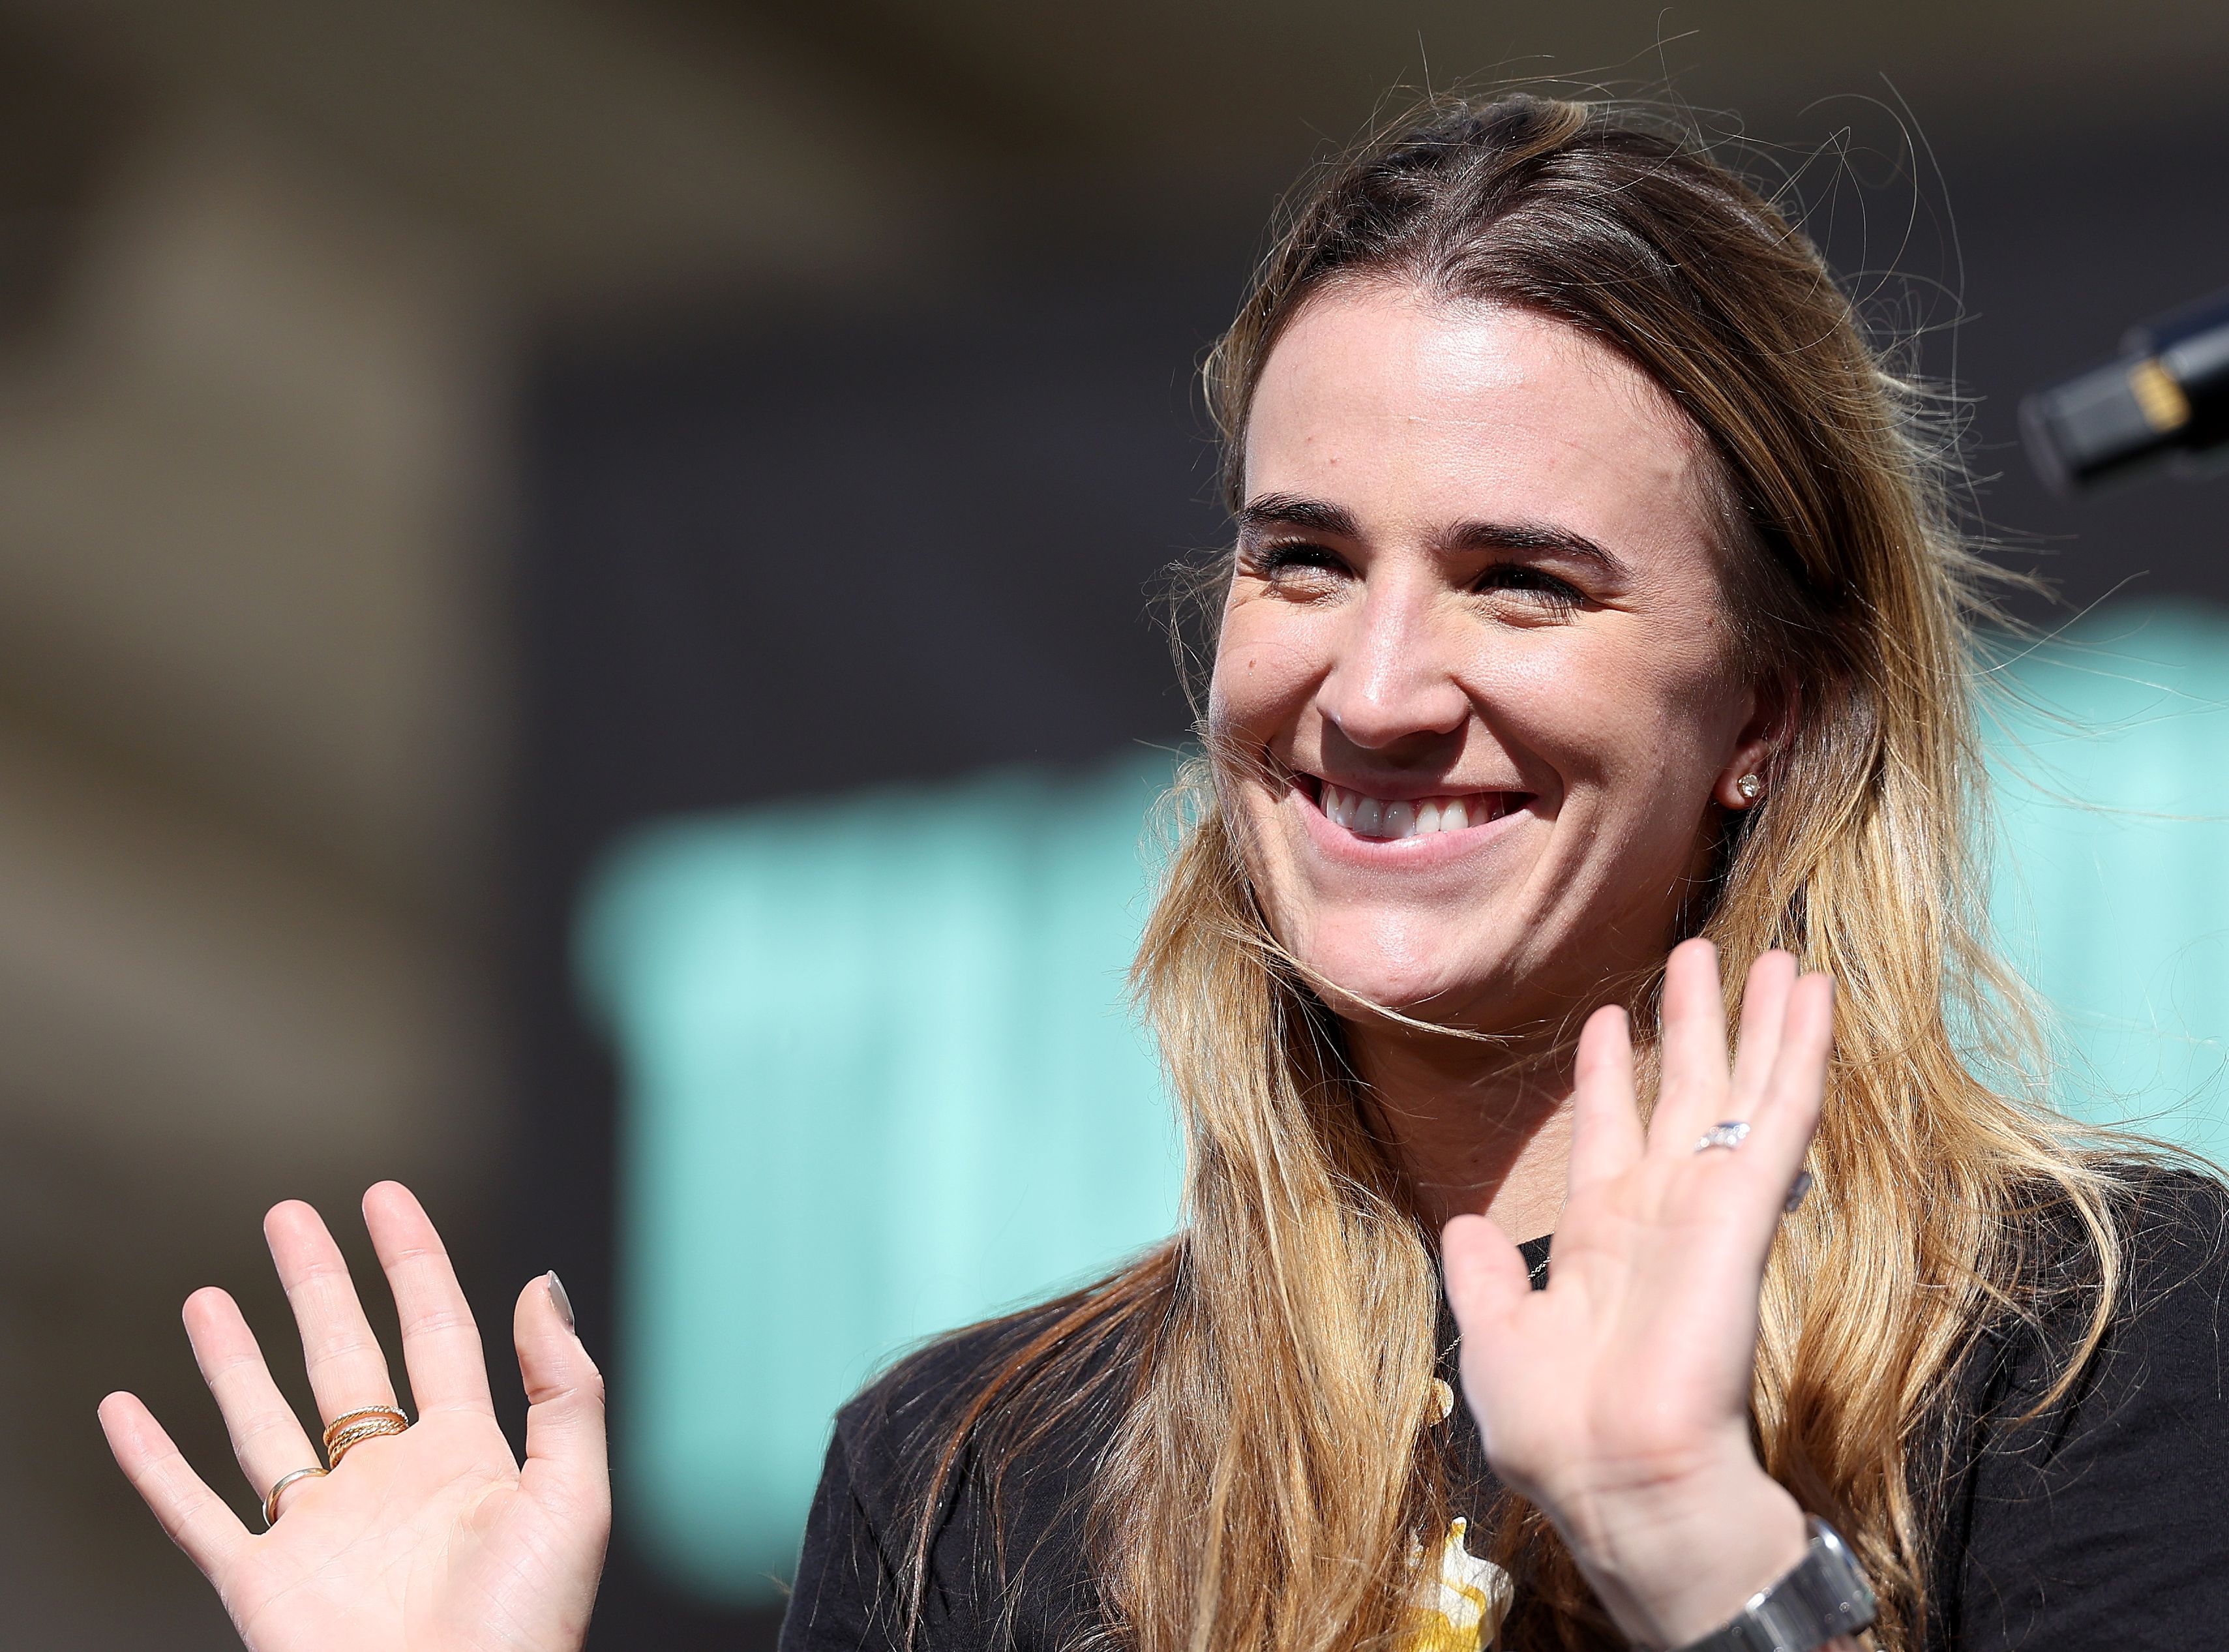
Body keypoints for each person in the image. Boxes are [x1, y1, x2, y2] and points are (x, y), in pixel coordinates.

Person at [100, 93, 2229, 1652]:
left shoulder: (2100, 1341)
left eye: (1520, 583)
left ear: (1766, 709)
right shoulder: (962, 1479)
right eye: (1302, 557)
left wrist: (1699, 1542)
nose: (1375, 686)